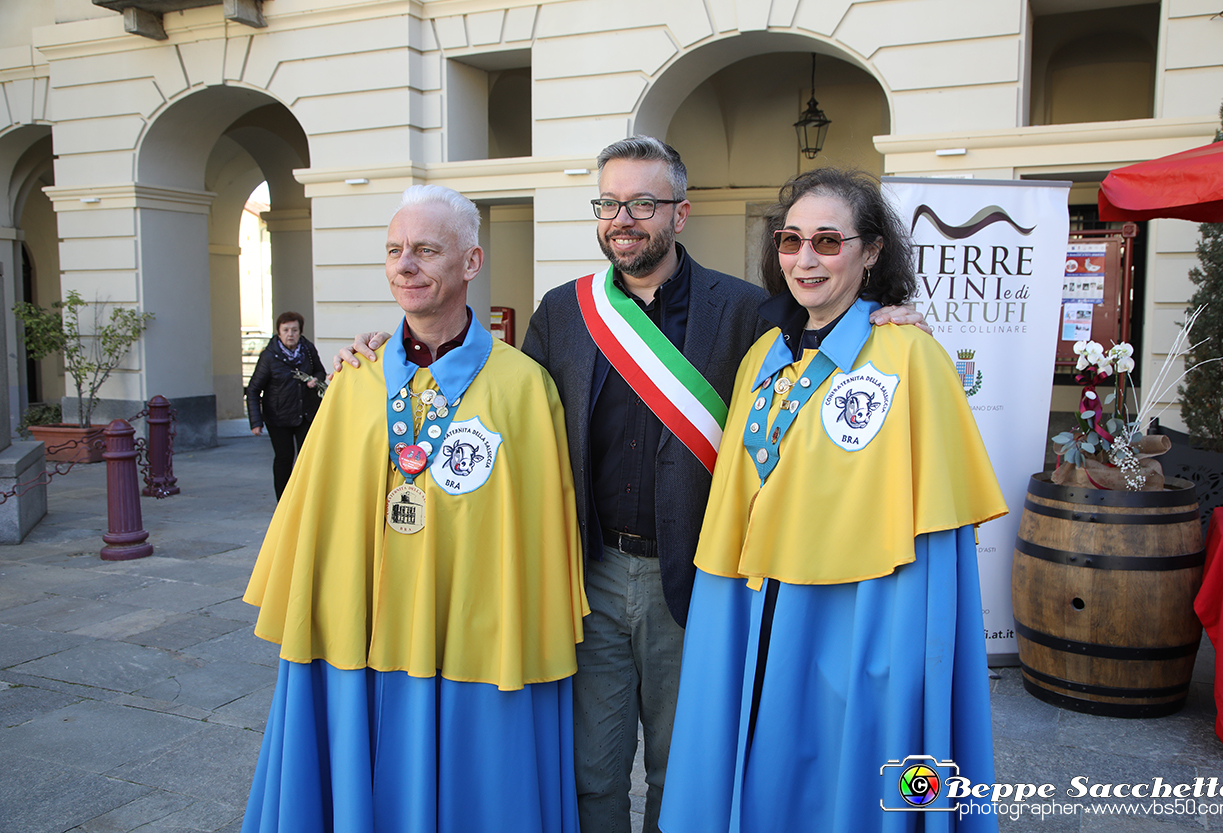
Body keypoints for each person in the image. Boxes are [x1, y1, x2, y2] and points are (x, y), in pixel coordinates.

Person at [335, 138, 928, 833]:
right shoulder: (564, 311)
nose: (624, 218)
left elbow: (827, 341)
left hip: (699, 582)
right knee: (591, 770)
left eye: (643, 203)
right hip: (592, 577)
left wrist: (893, 316)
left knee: (684, 771)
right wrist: (390, 350)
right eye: (610, 203)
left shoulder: (746, 310)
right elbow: (498, 410)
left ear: (679, 213)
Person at [658, 168, 1007, 833]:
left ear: (872, 251)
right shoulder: (763, 354)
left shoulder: (910, 355)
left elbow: (933, 540)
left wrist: (900, 662)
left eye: (827, 241)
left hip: (858, 622)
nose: (805, 259)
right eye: (791, 241)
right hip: (760, 605)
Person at [241, 185, 588, 832]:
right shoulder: (355, 379)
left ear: (471, 262)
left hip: (474, 638)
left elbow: (537, 531)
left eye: (426, 249)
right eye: (396, 250)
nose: (406, 264)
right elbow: (320, 515)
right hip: (364, 630)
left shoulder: (523, 385)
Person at [245, 311, 325, 499]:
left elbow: (320, 370)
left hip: (305, 414)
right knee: (284, 459)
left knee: (307, 459)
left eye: (295, 330)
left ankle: (305, 499)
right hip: (278, 416)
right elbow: (253, 389)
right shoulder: (269, 356)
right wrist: (256, 422)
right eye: (286, 330)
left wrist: (316, 379)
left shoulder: (307, 350)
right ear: (279, 333)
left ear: (300, 332)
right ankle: (283, 501)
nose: (291, 334)